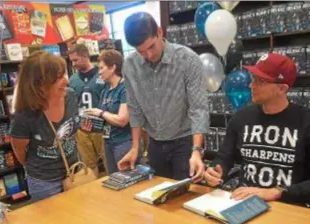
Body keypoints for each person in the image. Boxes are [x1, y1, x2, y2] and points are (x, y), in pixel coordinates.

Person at [204, 53, 310, 206]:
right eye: (253, 78)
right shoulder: (241, 118)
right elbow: (224, 157)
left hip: (287, 208)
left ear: (282, 88)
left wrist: (275, 192)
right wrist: (215, 170)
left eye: (261, 81)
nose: (251, 85)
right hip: (242, 203)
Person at [118, 12, 209, 182]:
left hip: (184, 141)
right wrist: (135, 147)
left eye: (151, 47)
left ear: (159, 32)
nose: (149, 55)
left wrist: (197, 150)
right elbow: (134, 107)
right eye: (141, 52)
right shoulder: (130, 65)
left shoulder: (188, 59)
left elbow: (198, 108)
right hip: (155, 143)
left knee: (185, 194)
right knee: (159, 194)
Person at [10, 51, 79, 202]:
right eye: (58, 77)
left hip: (74, 170)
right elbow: (19, 150)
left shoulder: (71, 96)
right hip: (44, 182)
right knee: (52, 222)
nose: (66, 81)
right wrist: (37, 168)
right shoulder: (24, 115)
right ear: (39, 85)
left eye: (64, 74)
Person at [83, 49, 139, 174]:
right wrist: (91, 125)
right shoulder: (105, 90)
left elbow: (122, 120)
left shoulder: (125, 88)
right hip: (108, 142)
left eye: (102, 68)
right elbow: (105, 121)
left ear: (113, 67)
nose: (99, 72)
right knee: (113, 180)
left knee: (127, 179)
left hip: (124, 143)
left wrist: (100, 113)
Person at [68, 44, 106, 177]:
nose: (73, 64)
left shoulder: (102, 75)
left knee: (109, 163)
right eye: (71, 61)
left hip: (102, 127)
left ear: (85, 56)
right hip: (82, 129)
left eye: (75, 60)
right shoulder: (72, 80)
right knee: (89, 166)